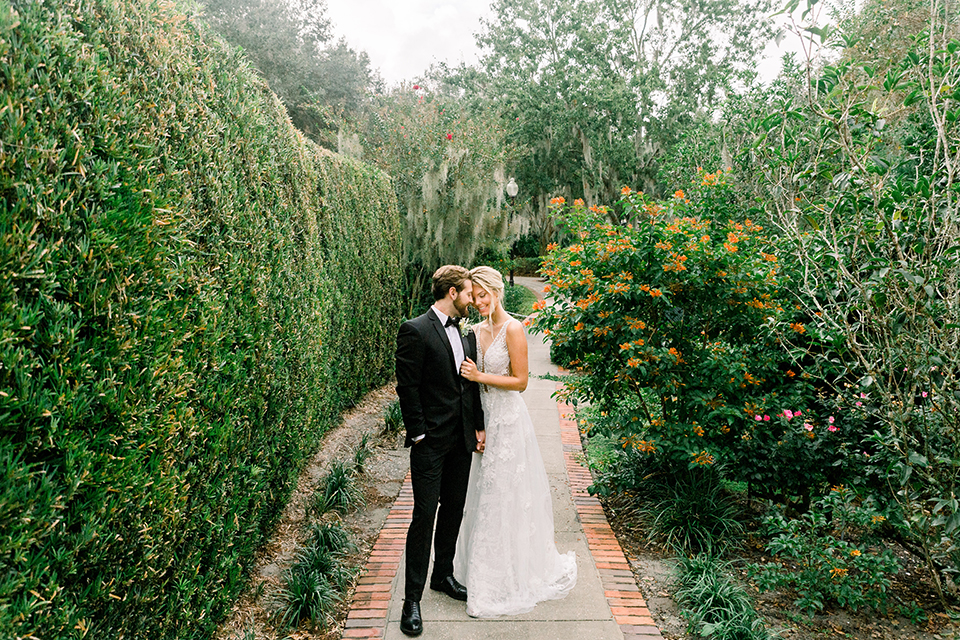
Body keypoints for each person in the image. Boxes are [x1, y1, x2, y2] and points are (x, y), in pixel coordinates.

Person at [454, 266, 577, 618]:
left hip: (508, 419)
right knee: (482, 494)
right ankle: (479, 572)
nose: (477, 302)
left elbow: (521, 381)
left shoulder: (513, 328)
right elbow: (469, 386)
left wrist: (480, 375)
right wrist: (477, 426)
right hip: (486, 420)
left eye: (483, 295)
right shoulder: (475, 331)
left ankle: (512, 576)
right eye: (473, 296)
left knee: (507, 494)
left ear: (496, 291)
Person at [394, 265, 486, 637]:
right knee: (423, 515)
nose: (471, 300)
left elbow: (470, 387)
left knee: (453, 509)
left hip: (461, 440)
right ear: (452, 293)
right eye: (467, 294)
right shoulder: (415, 330)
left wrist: (477, 426)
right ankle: (411, 599)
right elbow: (407, 387)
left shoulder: (465, 335)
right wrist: (418, 435)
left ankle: (443, 575)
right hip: (430, 443)